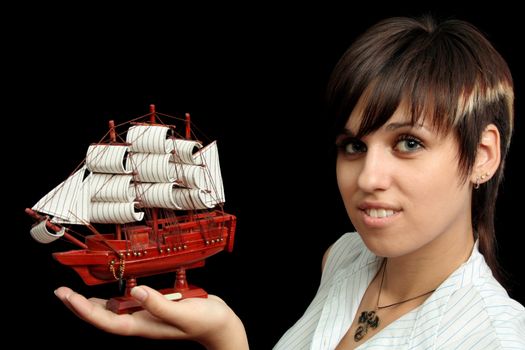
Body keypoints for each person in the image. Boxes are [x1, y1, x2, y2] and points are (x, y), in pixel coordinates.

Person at [55, 15, 525, 349]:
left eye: (409, 143)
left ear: (482, 156)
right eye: (354, 146)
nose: (368, 178)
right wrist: (225, 337)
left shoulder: (498, 337)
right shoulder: (343, 259)